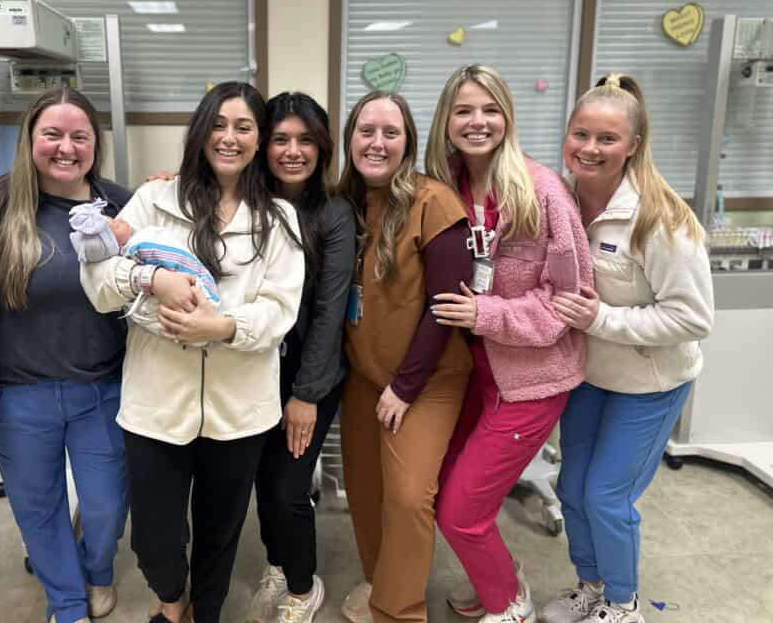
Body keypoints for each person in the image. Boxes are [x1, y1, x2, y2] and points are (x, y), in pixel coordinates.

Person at [80, 81, 305, 623]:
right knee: (154, 538)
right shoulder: (155, 199)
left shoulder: (278, 218)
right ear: (202, 131)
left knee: (219, 533)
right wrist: (150, 276)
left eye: (244, 127)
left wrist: (221, 326)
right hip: (156, 404)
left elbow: (280, 310)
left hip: (240, 409)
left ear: (258, 141)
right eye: (219, 124)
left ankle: (203, 612)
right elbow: (99, 278)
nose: (229, 137)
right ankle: (172, 600)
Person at [541, 75, 713, 623]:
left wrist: (602, 318)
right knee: (571, 488)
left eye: (607, 139)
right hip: (591, 374)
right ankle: (590, 588)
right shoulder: (560, 201)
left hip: (651, 383)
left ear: (634, 144)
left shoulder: (660, 218)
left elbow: (692, 317)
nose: (589, 149)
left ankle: (623, 604)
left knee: (606, 498)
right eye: (581, 134)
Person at [427, 64, 593, 623]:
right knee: (451, 493)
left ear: (508, 118)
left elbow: (568, 301)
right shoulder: (443, 187)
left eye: (490, 109)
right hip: (469, 376)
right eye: (464, 110)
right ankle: (499, 576)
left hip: (530, 383)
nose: (478, 122)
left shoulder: (542, 191)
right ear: (446, 120)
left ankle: (508, 606)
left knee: (461, 512)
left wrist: (484, 312)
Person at [0, 87, 131, 623]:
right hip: (20, 392)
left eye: (79, 136)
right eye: (52, 134)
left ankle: (97, 570)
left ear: (95, 145)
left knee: (106, 507)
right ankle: (66, 602)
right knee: (39, 509)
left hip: (103, 389)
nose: (65, 148)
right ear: (29, 140)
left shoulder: (122, 205)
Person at [337, 90, 474, 623]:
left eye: (390, 133)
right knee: (365, 493)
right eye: (366, 130)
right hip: (364, 375)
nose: (377, 142)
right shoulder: (343, 202)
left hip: (427, 378)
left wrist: (405, 386)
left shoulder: (433, 203)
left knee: (409, 496)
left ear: (408, 143)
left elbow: (446, 307)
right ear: (349, 139)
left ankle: (398, 612)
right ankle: (380, 585)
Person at [245, 92, 356, 623]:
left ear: (322, 147)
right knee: (263, 484)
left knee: (288, 489)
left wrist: (306, 395)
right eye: (281, 139)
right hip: (251, 369)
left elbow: (331, 312)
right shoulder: (246, 202)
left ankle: (302, 585)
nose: (293, 151)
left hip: (310, 374)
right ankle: (275, 561)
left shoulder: (333, 213)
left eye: (305, 140)